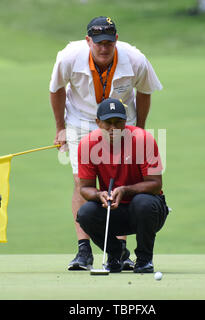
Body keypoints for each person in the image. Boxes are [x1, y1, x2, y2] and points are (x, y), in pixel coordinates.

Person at [49, 16, 163, 270]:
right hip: (81, 119)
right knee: (81, 180)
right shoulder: (68, 57)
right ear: (88, 40)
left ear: (116, 41)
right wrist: (60, 128)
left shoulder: (135, 60)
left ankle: (119, 251)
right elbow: (56, 89)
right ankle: (84, 250)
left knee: (123, 182)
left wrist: (140, 129)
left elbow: (145, 91)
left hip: (121, 118)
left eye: (109, 42)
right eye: (98, 42)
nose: (103, 47)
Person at [76, 98, 169, 273]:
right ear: (98, 123)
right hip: (113, 211)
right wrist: (99, 195)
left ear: (125, 122)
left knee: (143, 202)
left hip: (147, 212)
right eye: (107, 123)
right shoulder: (87, 145)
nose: (113, 129)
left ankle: (144, 260)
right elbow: (85, 187)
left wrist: (126, 190)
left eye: (118, 123)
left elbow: (156, 185)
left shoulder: (143, 139)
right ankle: (117, 253)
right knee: (85, 213)